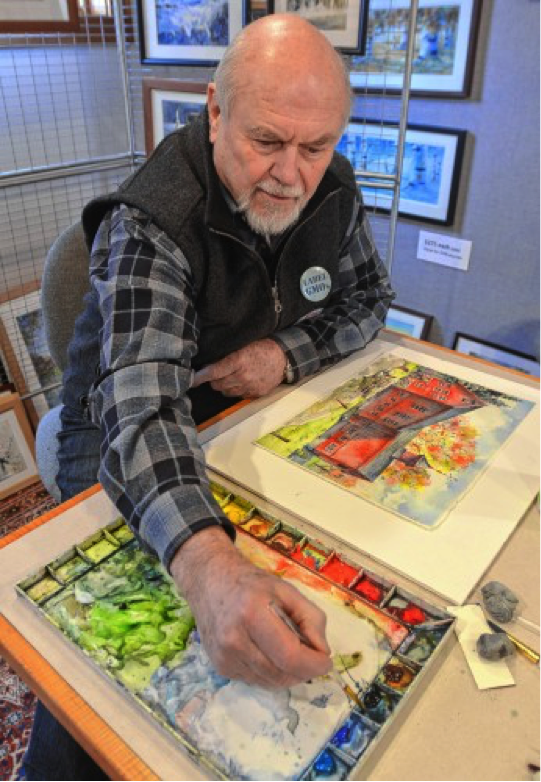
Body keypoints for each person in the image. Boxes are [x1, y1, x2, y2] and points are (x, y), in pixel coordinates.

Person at [21, 13, 394, 781]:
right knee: (130, 642)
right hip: (118, 430)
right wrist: (208, 571)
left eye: (315, 147)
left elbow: (369, 299)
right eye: (266, 142)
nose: (291, 174)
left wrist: (283, 355)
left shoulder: (335, 183)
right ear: (214, 111)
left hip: (244, 413)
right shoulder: (150, 219)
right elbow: (142, 409)